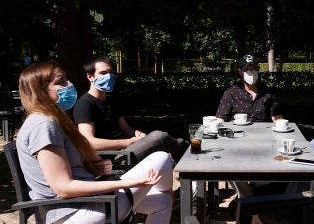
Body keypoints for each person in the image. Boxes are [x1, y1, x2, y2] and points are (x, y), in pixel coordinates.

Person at [16, 61, 173, 223]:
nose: (69, 84)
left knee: (162, 202)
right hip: (75, 212)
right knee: (162, 158)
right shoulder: (43, 125)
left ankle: (168, 195)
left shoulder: (49, 121)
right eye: (60, 81)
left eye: (67, 79)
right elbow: (63, 188)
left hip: (90, 201)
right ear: (40, 91)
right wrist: (125, 183)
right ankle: (170, 193)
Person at [73, 55, 188, 164]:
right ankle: (185, 148)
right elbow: (89, 142)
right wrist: (128, 142)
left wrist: (138, 134)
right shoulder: (84, 104)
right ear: (90, 76)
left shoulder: (111, 100)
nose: (108, 76)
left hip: (127, 149)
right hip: (112, 158)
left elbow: (126, 129)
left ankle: (186, 165)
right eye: (103, 73)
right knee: (159, 137)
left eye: (110, 72)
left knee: (162, 152)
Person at [216, 54, 283, 122]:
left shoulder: (269, 94)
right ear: (240, 71)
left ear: (258, 70)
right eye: (247, 69)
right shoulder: (231, 93)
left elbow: (279, 121)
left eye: (254, 68)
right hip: (238, 131)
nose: (251, 72)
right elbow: (220, 121)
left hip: (262, 131)